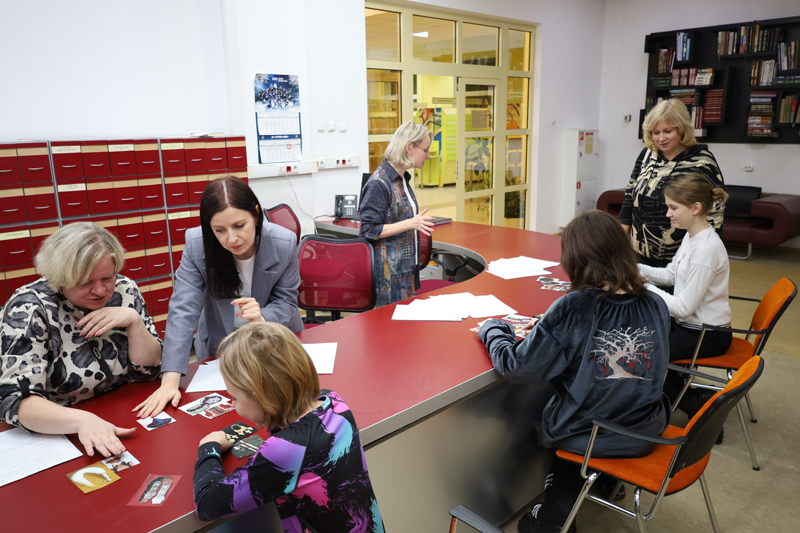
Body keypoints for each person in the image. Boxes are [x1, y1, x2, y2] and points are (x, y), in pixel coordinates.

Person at [479, 210, 671, 533]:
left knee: (532, 406)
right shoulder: (656, 303)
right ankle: (603, 483)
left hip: (594, 436)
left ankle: (552, 511)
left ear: (576, 260)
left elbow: (517, 367)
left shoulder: (576, 306)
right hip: (645, 429)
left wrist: (493, 329)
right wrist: (551, 330)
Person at [135, 175, 304, 418]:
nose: (231, 239)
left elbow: (287, 302)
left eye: (239, 226)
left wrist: (262, 317)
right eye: (220, 230)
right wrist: (169, 382)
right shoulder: (197, 245)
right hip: (220, 348)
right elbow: (183, 311)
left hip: (274, 343)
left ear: (256, 215)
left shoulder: (283, 242)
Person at [193, 322, 385, 532]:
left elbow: (207, 504)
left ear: (259, 395)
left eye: (234, 397)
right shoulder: (334, 401)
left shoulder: (287, 450)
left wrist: (209, 447)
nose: (232, 403)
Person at [0, 222, 162, 457]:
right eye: (85, 282)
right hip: (62, 429)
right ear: (59, 278)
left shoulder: (125, 290)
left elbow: (150, 371)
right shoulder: (30, 308)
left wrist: (134, 322)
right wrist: (82, 421)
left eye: (108, 277)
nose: (100, 291)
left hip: (123, 410)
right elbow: (16, 401)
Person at [638, 174, 732, 417]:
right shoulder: (693, 236)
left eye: (673, 208)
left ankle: (698, 406)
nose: (668, 214)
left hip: (706, 334)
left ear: (695, 208)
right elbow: (671, 275)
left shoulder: (705, 250)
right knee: (639, 336)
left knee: (641, 355)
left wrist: (642, 286)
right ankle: (683, 397)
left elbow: (683, 308)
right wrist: (636, 270)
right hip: (691, 326)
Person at [619, 98, 724, 268]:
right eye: (655, 132)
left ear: (682, 129)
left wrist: (705, 254)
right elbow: (630, 198)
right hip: (639, 252)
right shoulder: (647, 155)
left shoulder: (702, 162)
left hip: (681, 256)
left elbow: (714, 213)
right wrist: (619, 240)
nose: (661, 138)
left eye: (667, 131)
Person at [359, 121, 436, 306]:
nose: (428, 155)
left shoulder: (401, 179)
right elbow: (368, 230)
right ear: (409, 148)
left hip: (404, 272)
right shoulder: (379, 183)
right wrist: (410, 223)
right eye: (425, 150)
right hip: (388, 278)